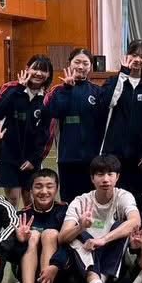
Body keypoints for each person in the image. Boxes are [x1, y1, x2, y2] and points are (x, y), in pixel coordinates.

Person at [58, 154, 142, 283]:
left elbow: (135, 221)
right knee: (77, 234)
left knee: (121, 226)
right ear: (92, 178)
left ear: (117, 177)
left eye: (110, 174)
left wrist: (103, 240)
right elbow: (62, 237)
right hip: (83, 262)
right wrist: (80, 227)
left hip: (115, 263)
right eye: (100, 174)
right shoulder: (80, 201)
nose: (105, 179)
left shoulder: (123, 196)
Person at [0, 55, 54, 208]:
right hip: (8, 155)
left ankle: (29, 224)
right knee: (12, 198)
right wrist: (18, 89)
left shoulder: (47, 99)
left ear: (48, 75)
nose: (39, 73)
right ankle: (12, 223)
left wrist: (34, 160)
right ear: (27, 69)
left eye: (44, 71)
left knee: (30, 200)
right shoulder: (11, 88)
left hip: (31, 159)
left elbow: (46, 134)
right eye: (35, 68)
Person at [44, 47, 106, 201]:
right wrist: (67, 89)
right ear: (70, 63)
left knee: (91, 199)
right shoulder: (58, 91)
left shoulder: (97, 92)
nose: (81, 66)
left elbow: (103, 123)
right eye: (77, 62)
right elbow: (54, 112)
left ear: (90, 67)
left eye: (85, 63)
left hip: (92, 157)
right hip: (67, 157)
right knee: (69, 200)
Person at [13, 169, 74, 283]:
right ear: (31, 190)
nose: (44, 191)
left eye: (49, 186)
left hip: (57, 272)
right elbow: (12, 255)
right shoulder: (22, 215)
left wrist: (56, 265)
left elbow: (70, 245)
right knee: (32, 235)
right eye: (38, 186)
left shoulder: (65, 212)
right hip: (28, 276)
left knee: (50, 233)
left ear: (56, 189)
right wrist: (20, 241)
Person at [99, 40, 142, 203]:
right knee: (113, 196)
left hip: (139, 155)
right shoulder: (113, 81)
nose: (137, 59)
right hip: (114, 152)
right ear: (126, 56)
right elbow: (108, 102)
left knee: (138, 197)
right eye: (134, 55)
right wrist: (122, 74)